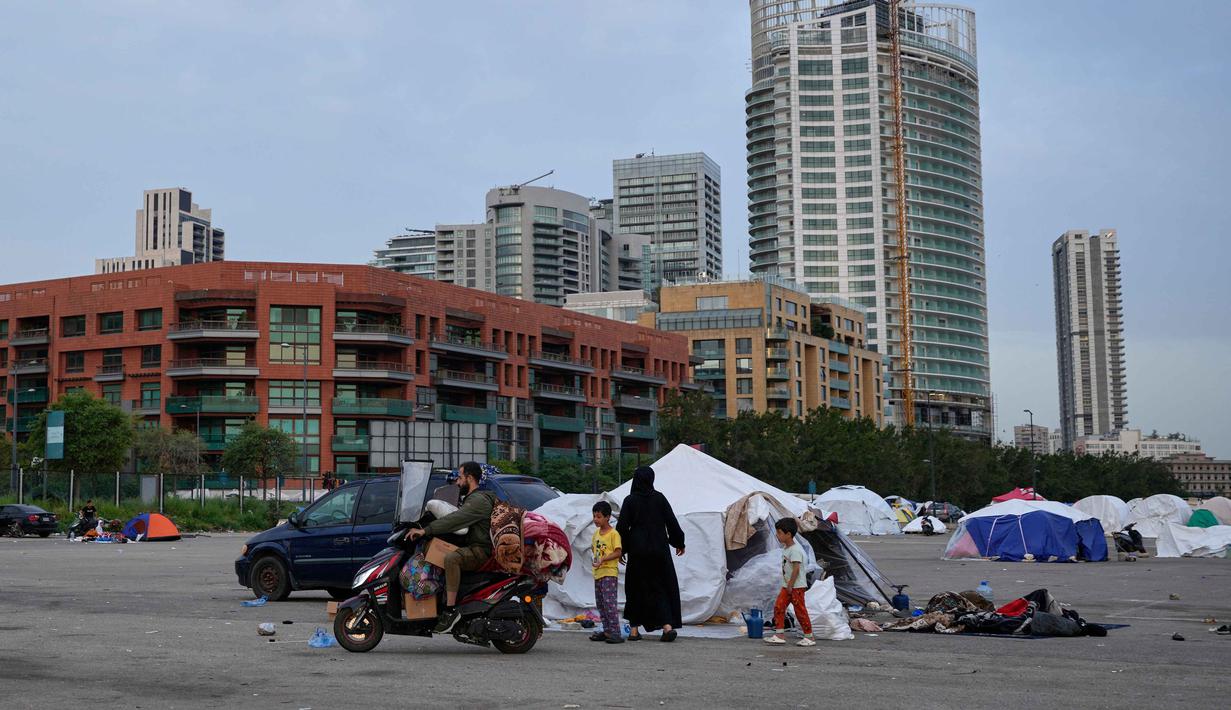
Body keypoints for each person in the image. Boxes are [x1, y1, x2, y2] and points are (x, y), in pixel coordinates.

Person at [407, 461, 496, 633]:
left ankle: (450, 610)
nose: (457, 482)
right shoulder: (471, 499)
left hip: (480, 550)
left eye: (460, 478)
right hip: (472, 545)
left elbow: (456, 520)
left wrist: (426, 530)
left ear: (469, 478)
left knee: (451, 559)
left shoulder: (479, 501)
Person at [616, 465, 684, 642]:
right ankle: (667, 627)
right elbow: (671, 521)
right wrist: (679, 542)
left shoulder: (630, 500)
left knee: (635, 588)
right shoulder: (659, 498)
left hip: (638, 550)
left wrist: (621, 549)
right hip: (659, 548)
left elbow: (622, 526)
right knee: (661, 587)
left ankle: (634, 631)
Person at [765, 518, 815, 647]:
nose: (777, 535)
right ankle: (779, 634)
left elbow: (796, 569)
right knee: (779, 607)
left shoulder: (795, 550)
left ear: (788, 534)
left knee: (800, 610)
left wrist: (791, 585)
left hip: (795, 586)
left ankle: (809, 636)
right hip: (787, 585)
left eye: (780, 533)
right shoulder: (787, 548)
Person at [590, 500, 624, 644]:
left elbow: (618, 552)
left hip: (609, 573)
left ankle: (616, 631)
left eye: (599, 516)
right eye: (594, 516)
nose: (595, 519)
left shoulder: (613, 534)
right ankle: (607, 630)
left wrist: (603, 559)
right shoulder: (596, 534)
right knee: (601, 603)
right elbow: (593, 549)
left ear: (608, 517)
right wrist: (597, 561)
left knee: (610, 603)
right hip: (598, 572)